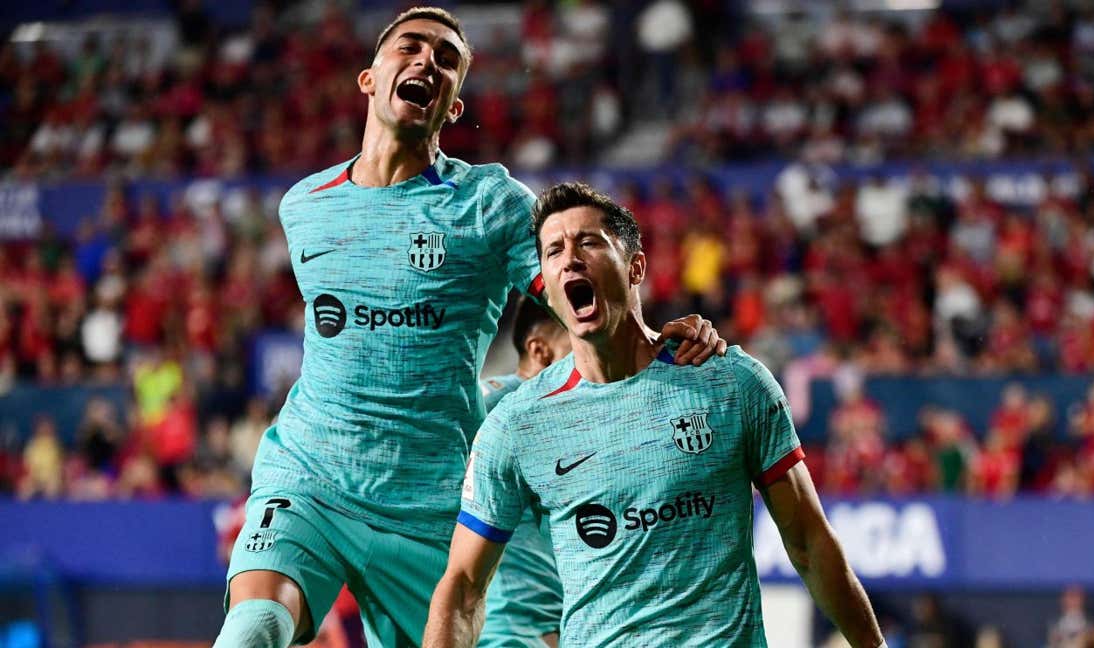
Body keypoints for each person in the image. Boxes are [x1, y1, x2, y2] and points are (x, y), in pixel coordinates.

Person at [214, 9, 724, 648]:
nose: (429, 60)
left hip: (431, 505)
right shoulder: (304, 207)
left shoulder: (490, 205)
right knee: (255, 626)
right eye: (412, 47)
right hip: (309, 479)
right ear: (369, 79)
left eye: (448, 58)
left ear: (453, 107)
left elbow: (580, 301)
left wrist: (654, 338)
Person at [424, 183, 883, 647]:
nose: (571, 259)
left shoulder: (731, 382)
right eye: (554, 250)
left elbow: (807, 541)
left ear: (635, 267)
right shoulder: (517, 422)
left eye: (589, 242)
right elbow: (463, 588)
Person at [477, 297, 571, 647]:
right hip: (506, 632)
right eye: (579, 346)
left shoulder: (573, 420)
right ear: (540, 351)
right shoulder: (485, 411)